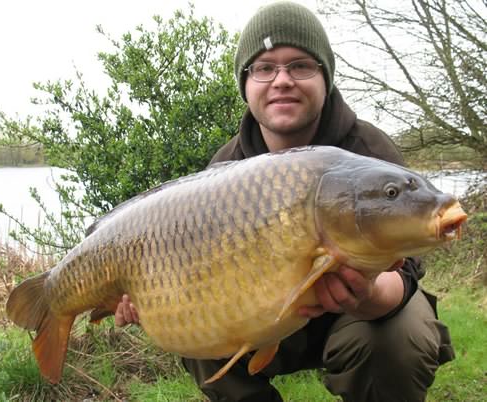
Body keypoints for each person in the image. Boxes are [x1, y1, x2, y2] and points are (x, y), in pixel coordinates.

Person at [115, 2, 454, 401]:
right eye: (264, 68)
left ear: (325, 78)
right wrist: (148, 301)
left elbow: (409, 270)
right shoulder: (226, 168)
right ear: (246, 83)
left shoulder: (368, 152)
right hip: (267, 318)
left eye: (300, 65)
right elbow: (190, 268)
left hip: (353, 322)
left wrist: (369, 296)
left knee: (403, 335)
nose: (282, 80)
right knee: (200, 331)